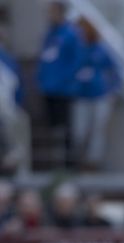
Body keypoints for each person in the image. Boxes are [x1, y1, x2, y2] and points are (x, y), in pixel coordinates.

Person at [36, 1, 82, 165]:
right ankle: (54, 161)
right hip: (49, 87)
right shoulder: (50, 34)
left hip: (64, 88)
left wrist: (65, 79)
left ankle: (69, 163)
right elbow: (45, 59)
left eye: (53, 12)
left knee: (66, 127)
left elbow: (77, 60)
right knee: (52, 127)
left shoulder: (71, 34)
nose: (50, 16)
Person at [72, 19, 121, 171]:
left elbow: (115, 70)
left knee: (98, 129)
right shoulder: (77, 49)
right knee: (79, 131)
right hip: (81, 95)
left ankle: (93, 162)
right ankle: (79, 158)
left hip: (100, 95)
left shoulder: (101, 49)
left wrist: (113, 90)